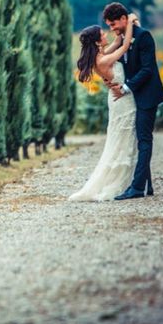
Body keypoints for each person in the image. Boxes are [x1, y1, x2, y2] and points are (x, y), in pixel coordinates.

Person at [68, 10, 139, 201]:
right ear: (98, 41)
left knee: (122, 137)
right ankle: (120, 182)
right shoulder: (104, 59)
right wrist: (131, 22)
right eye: (102, 33)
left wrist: (121, 31)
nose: (106, 34)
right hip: (122, 101)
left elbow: (117, 42)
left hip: (119, 97)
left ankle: (131, 179)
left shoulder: (100, 55)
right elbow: (124, 46)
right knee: (123, 137)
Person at [102, 2, 163, 200]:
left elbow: (147, 69)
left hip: (147, 95)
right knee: (139, 139)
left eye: (113, 24)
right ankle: (147, 186)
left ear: (124, 19)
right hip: (131, 97)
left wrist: (125, 88)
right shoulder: (123, 38)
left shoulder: (144, 36)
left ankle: (137, 188)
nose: (111, 29)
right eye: (109, 26)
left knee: (144, 140)